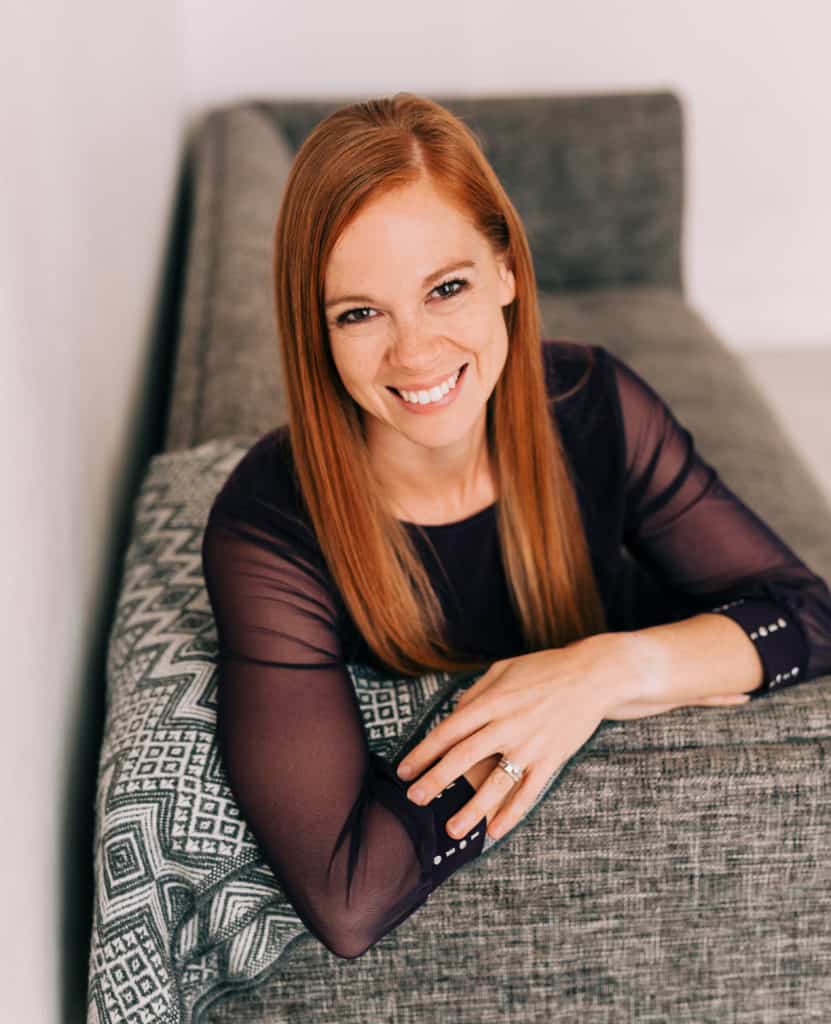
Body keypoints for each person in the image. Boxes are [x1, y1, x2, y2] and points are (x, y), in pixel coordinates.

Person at [200, 92, 831, 960]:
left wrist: (601, 672)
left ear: (506, 274)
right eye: (359, 312)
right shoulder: (267, 529)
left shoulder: (590, 402)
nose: (414, 352)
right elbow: (347, 896)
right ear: (316, 331)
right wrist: (524, 729)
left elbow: (805, 613)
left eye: (445, 288)